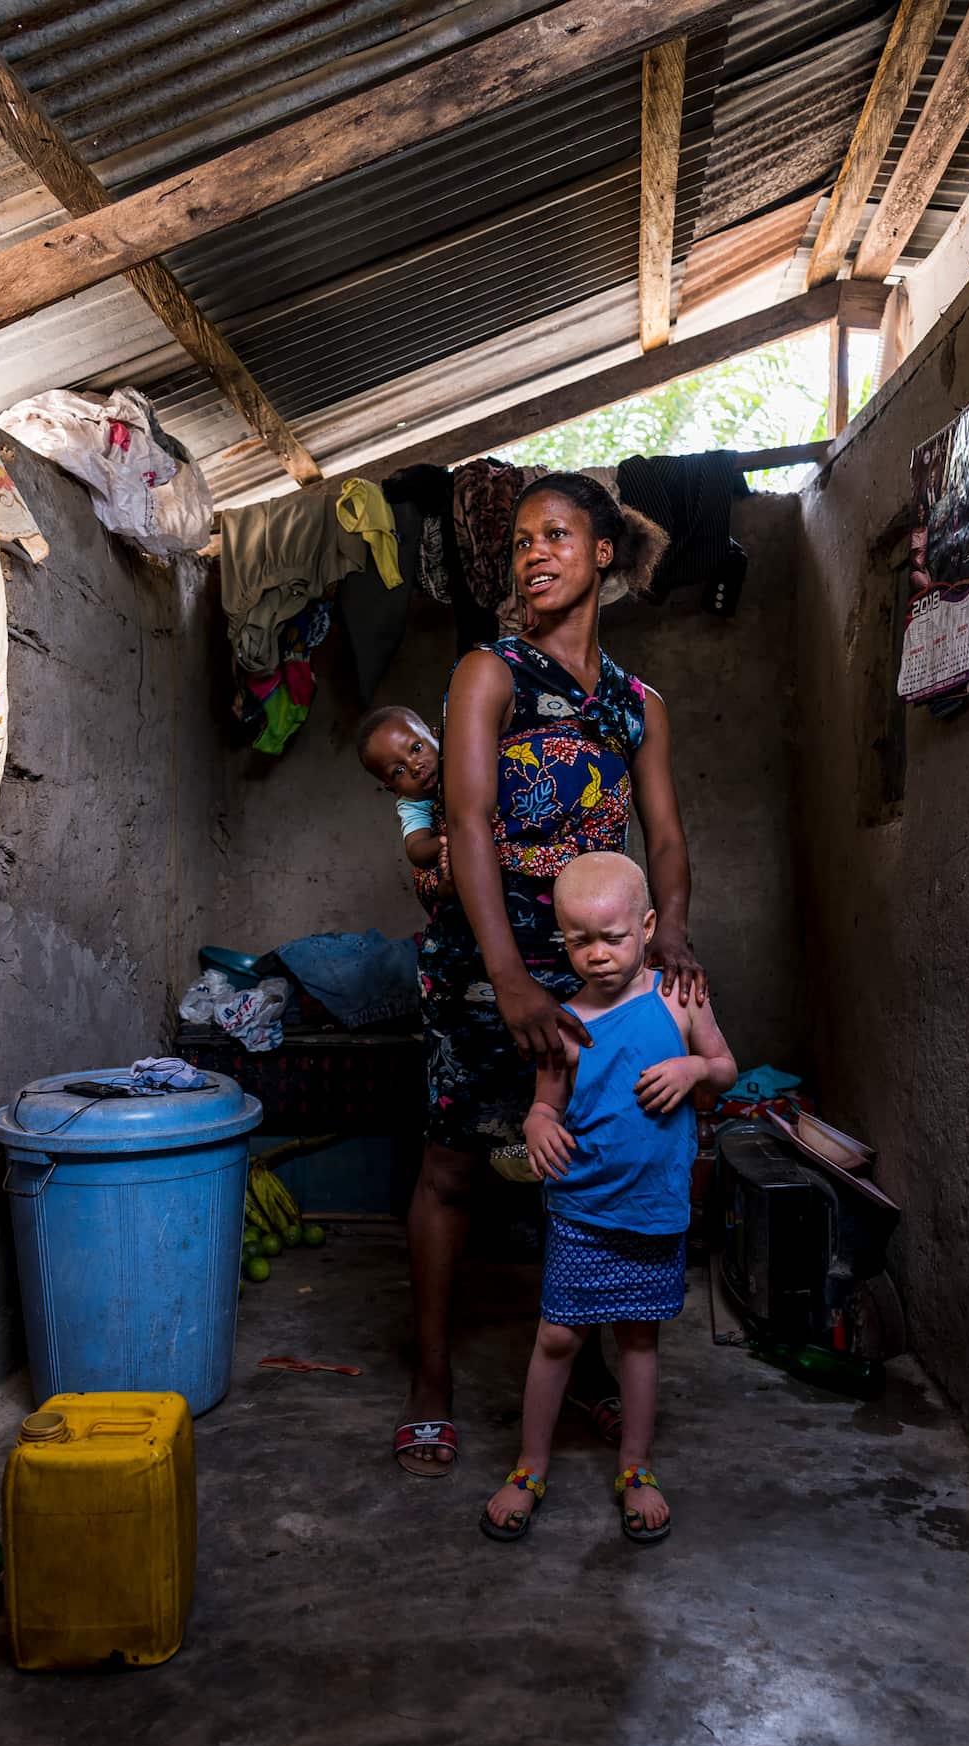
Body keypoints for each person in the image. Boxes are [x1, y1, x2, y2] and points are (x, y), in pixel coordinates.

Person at [394, 470, 707, 1477]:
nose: (534, 552)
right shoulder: (489, 673)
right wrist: (508, 977)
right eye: (523, 539)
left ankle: (590, 1368)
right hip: (485, 957)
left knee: (588, 1160)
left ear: (602, 553)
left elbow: (664, 835)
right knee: (453, 1164)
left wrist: (671, 932)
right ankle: (431, 1383)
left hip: (595, 975)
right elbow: (467, 820)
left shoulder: (636, 706)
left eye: (557, 535)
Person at [481, 852, 736, 1543]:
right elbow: (545, 1104)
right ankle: (531, 1465)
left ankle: (635, 1467)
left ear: (647, 928)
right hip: (583, 1208)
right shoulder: (562, 1022)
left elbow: (725, 1068)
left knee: (638, 1340)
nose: (597, 954)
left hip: (652, 1209)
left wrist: (693, 1067)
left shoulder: (681, 1000)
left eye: (614, 938)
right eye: (579, 940)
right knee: (558, 1335)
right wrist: (537, 1125)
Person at [356, 703, 452, 895]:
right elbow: (416, 850)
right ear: (393, 789)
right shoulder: (412, 803)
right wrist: (445, 841)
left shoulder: (458, 752)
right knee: (426, 879)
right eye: (398, 771)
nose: (414, 767)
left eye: (416, 748)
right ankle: (448, 889)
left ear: (436, 735)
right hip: (450, 847)